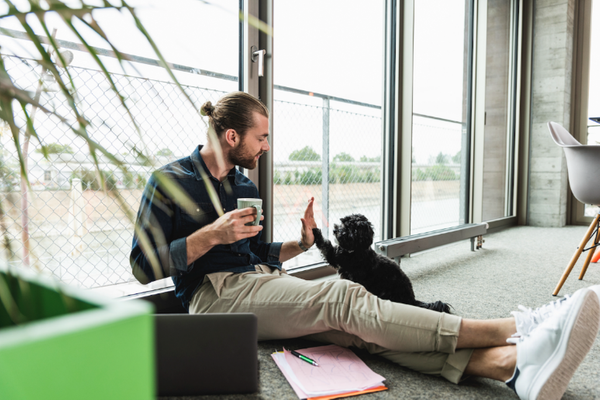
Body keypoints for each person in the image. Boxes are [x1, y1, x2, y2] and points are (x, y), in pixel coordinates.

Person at [130, 91, 600, 400]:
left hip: (257, 283)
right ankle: (516, 326)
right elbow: (142, 266)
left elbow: (252, 255)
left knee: (357, 332)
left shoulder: (242, 184)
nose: (267, 146)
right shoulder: (168, 181)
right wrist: (211, 233)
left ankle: (511, 367)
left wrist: (300, 242)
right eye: (262, 137)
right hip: (213, 298)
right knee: (344, 296)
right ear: (232, 136)